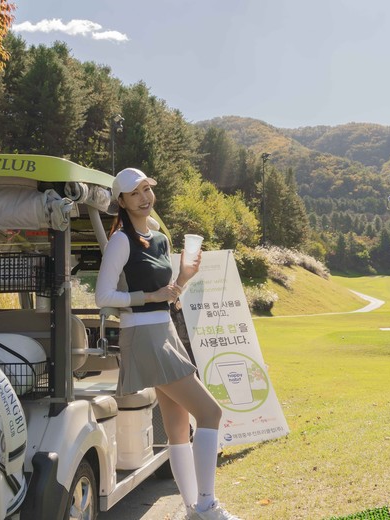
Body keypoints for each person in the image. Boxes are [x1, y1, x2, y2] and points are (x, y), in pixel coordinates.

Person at [95, 167, 241, 520]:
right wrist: (149, 296)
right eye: (135, 193)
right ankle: (206, 504)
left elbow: (168, 296)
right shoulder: (121, 240)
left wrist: (184, 277)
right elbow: (103, 296)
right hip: (143, 335)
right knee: (210, 413)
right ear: (122, 202)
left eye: (147, 189)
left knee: (178, 425)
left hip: (164, 330)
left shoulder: (160, 238)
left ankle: (193, 509)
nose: (144, 198)